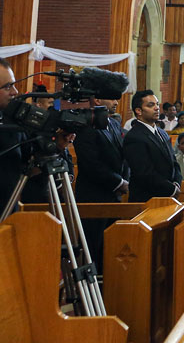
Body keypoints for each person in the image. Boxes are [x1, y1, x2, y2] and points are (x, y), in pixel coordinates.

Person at [73, 94, 129, 274]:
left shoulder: (113, 123)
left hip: (114, 196)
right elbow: (91, 163)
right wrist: (118, 182)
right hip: (93, 196)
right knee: (93, 247)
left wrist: (124, 180)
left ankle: (108, 288)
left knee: (111, 247)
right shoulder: (86, 125)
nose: (116, 102)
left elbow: (123, 157)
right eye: (111, 98)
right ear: (97, 101)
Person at [122, 90, 182, 203]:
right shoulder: (134, 136)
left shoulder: (162, 132)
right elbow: (144, 173)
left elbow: (174, 162)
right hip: (146, 200)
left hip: (166, 198)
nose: (157, 108)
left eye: (157, 104)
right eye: (151, 105)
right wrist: (171, 189)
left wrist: (177, 183)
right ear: (138, 111)